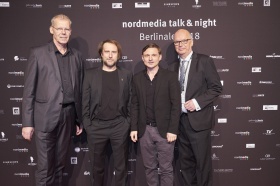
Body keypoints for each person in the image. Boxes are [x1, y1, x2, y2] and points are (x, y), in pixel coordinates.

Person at [21, 14, 84, 186]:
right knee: (45, 167)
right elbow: (29, 91)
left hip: (68, 116)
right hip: (45, 117)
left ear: (70, 31)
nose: (63, 32)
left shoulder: (77, 56)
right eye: (59, 28)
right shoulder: (38, 53)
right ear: (52, 30)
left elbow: (78, 89)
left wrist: (78, 119)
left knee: (59, 165)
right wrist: (27, 123)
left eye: (66, 29)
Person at [169, 29, 222, 186]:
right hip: (180, 123)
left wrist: (197, 102)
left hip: (199, 122)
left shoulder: (204, 61)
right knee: (185, 166)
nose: (180, 45)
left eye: (184, 41)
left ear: (191, 41)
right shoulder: (172, 66)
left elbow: (216, 88)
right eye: (177, 42)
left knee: (203, 166)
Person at [82, 39, 132, 186]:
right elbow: (85, 102)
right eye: (107, 52)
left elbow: (130, 101)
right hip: (96, 127)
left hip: (119, 126)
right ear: (101, 54)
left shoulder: (127, 74)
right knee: (96, 169)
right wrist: (88, 125)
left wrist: (127, 123)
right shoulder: (90, 75)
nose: (110, 55)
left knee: (121, 168)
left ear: (118, 55)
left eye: (113, 52)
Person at [130, 43, 181, 186]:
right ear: (142, 58)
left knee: (166, 169)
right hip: (144, 130)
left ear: (160, 57)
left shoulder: (170, 77)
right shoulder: (137, 78)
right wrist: (134, 128)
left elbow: (176, 106)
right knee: (149, 168)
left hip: (165, 131)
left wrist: (172, 129)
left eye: (153, 55)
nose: (150, 58)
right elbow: (134, 105)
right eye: (147, 55)